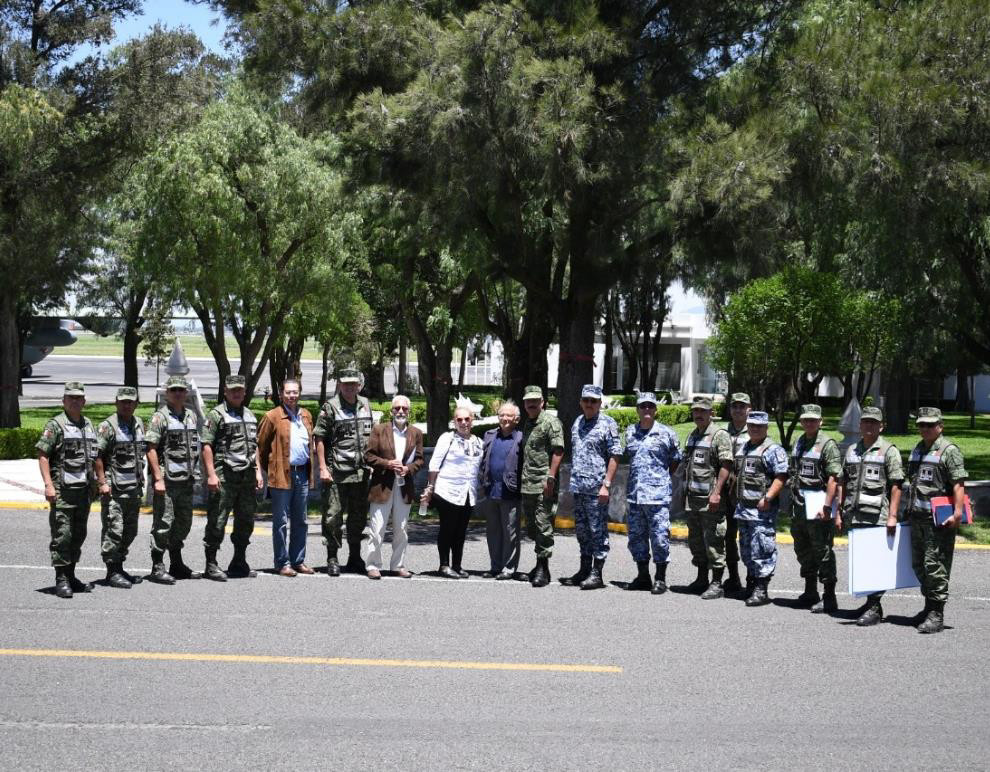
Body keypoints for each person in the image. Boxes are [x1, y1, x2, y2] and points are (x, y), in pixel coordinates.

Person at [835, 406, 904, 626]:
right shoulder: (852, 450)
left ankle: (874, 607)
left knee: (875, 563)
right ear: (859, 425)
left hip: (877, 516)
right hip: (855, 515)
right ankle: (869, 604)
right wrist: (838, 511)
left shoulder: (889, 451)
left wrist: (892, 516)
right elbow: (843, 481)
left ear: (881, 426)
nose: (869, 425)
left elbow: (896, 485)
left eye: (874, 422)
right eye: (865, 421)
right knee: (862, 563)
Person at [904, 407, 967, 634]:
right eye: (921, 425)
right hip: (917, 519)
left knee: (935, 566)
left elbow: (958, 483)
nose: (925, 428)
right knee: (919, 565)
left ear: (940, 426)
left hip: (938, 522)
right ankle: (928, 606)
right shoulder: (918, 449)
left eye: (930, 425)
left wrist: (957, 513)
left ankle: (937, 614)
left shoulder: (949, 451)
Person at [37, 381, 99, 598]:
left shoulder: (88, 424)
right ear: (63, 401)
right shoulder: (55, 425)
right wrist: (48, 485)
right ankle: (61, 578)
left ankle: (71, 575)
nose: (75, 401)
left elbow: (95, 456)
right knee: (62, 536)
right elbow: (43, 455)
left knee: (78, 535)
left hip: (83, 493)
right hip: (63, 492)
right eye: (71, 397)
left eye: (78, 398)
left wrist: (98, 481)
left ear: (84, 401)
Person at [201, 375, 264, 581]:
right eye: (232, 390)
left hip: (247, 477)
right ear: (226, 392)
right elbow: (206, 445)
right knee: (217, 520)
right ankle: (211, 564)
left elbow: (254, 446)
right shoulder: (216, 415)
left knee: (245, 520)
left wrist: (258, 471)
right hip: (225, 476)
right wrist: (211, 474)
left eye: (240, 390)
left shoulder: (250, 415)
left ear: (245, 392)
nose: (236, 393)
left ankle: (239, 561)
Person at [315, 368, 374, 576]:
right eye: (346, 384)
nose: (349, 387)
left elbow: (370, 435)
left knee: (358, 517)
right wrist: (322, 468)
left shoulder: (365, 404)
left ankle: (355, 557)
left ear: (359, 385)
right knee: (333, 517)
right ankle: (332, 558)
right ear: (339, 385)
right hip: (337, 473)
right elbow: (319, 438)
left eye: (353, 384)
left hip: (361, 473)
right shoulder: (330, 407)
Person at [561, 384, 621, 591]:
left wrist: (606, 485)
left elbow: (615, 455)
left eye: (593, 401)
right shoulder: (577, 422)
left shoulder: (608, 424)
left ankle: (597, 573)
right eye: (586, 400)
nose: (589, 404)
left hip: (597, 489)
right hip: (579, 487)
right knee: (582, 531)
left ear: (599, 403)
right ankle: (584, 569)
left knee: (597, 531)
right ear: (580, 402)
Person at [622, 392, 682, 595]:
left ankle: (660, 578)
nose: (646, 409)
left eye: (650, 406)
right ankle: (643, 577)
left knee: (659, 538)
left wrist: (660, 478)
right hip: (635, 496)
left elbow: (675, 460)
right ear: (637, 410)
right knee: (636, 539)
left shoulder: (667, 433)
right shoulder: (630, 432)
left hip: (657, 496)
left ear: (656, 410)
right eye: (643, 406)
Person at [145, 375, 202, 584]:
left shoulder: (191, 416)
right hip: (167, 482)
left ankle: (176, 564)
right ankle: (157, 566)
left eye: (181, 390)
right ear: (167, 393)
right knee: (163, 523)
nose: (178, 393)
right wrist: (157, 478)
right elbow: (150, 448)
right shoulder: (160, 417)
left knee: (183, 523)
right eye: (173, 390)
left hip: (186, 480)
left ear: (186, 393)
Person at [256, 379, 315, 577]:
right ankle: (282, 562)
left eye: (295, 392)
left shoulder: (306, 415)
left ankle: (298, 560)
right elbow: (260, 448)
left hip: (302, 473)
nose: (292, 396)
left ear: (300, 393)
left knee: (301, 520)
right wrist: (262, 471)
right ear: (281, 394)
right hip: (281, 474)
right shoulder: (272, 416)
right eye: (288, 392)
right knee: (281, 522)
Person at [788, 404, 842, 613]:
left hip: (819, 507)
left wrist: (828, 506)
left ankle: (829, 597)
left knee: (823, 551)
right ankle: (810, 592)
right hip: (800, 507)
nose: (809, 423)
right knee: (803, 550)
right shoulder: (799, 441)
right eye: (805, 420)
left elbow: (834, 477)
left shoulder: (827, 444)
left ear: (820, 422)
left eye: (813, 420)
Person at [363, 395, 424, 579]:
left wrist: (408, 468)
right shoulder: (379, 430)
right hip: (382, 486)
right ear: (391, 411)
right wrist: (388, 464)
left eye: (404, 408)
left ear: (409, 411)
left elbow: (420, 460)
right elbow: (368, 456)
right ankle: (373, 565)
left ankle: (397, 565)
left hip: (404, 486)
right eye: (397, 408)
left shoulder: (416, 433)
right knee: (377, 528)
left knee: (401, 529)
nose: (400, 411)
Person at [733, 410, 788, 606]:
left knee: (763, 548)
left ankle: (761, 590)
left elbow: (781, 476)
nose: (755, 429)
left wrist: (768, 497)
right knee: (747, 548)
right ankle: (751, 584)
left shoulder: (773, 450)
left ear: (766, 427)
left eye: (759, 426)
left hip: (761, 510)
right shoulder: (744, 447)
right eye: (751, 425)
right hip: (743, 509)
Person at [421, 406, 483, 578]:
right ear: (454, 422)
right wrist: (430, 488)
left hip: (468, 493)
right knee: (447, 529)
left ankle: (457, 565)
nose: (463, 422)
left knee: (461, 531)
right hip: (447, 491)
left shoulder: (479, 442)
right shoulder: (447, 438)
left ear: (472, 420)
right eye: (459, 419)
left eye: (467, 419)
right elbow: (434, 464)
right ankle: (444, 565)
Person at [93, 386, 146, 589]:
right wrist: (102, 482)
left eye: (130, 402)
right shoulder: (108, 426)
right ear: (116, 402)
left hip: (133, 488)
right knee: (114, 530)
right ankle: (112, 571)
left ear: (136, 404)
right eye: (123, 402)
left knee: (130, 531)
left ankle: (119, 566)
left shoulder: (139, 424)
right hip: (114, 489)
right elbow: (97, 455)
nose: (126, 405)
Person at [682, 395, 733, 599]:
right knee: (696, 541)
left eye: (703, 411)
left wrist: (717, 493)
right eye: (696, 410)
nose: (699, 414)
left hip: (711, 500)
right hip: (693, 499)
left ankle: (717, 583)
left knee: (714, 541)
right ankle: (701, 579)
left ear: (711, 413)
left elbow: (726, 465)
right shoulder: (692, 435)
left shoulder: (719, 435)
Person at [517, 385, 564, 588]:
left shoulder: (550, 422)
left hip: (544, 484)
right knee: (533, 527)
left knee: (544, 525)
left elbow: (558, 451)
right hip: (528, 483)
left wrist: (551, 477)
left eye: (535, 401)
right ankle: (538, 565)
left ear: (543, 402)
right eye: (528, 401)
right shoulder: (528, 423)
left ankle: (543, 569)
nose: (532, 404)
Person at [478, 401, 524, 580]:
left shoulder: (521, 438)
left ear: (516, 419)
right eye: (502, 415)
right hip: (491, 490)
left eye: (509, 415)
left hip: (510, 492)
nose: (505, 418)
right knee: (493, 531)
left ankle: (508, 568)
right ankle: (495, 566)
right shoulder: (489, 435)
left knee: (510, 532)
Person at [722, 393, 751, 594]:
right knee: (728, 536)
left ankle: (752, 580)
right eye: (735, 406)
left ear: (749, 409)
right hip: (727, 493)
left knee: (748, 537)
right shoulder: (723, 432)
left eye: (742, 406)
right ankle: (733, 578)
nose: (738, 410)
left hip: (747, 493)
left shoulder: (755, 431)